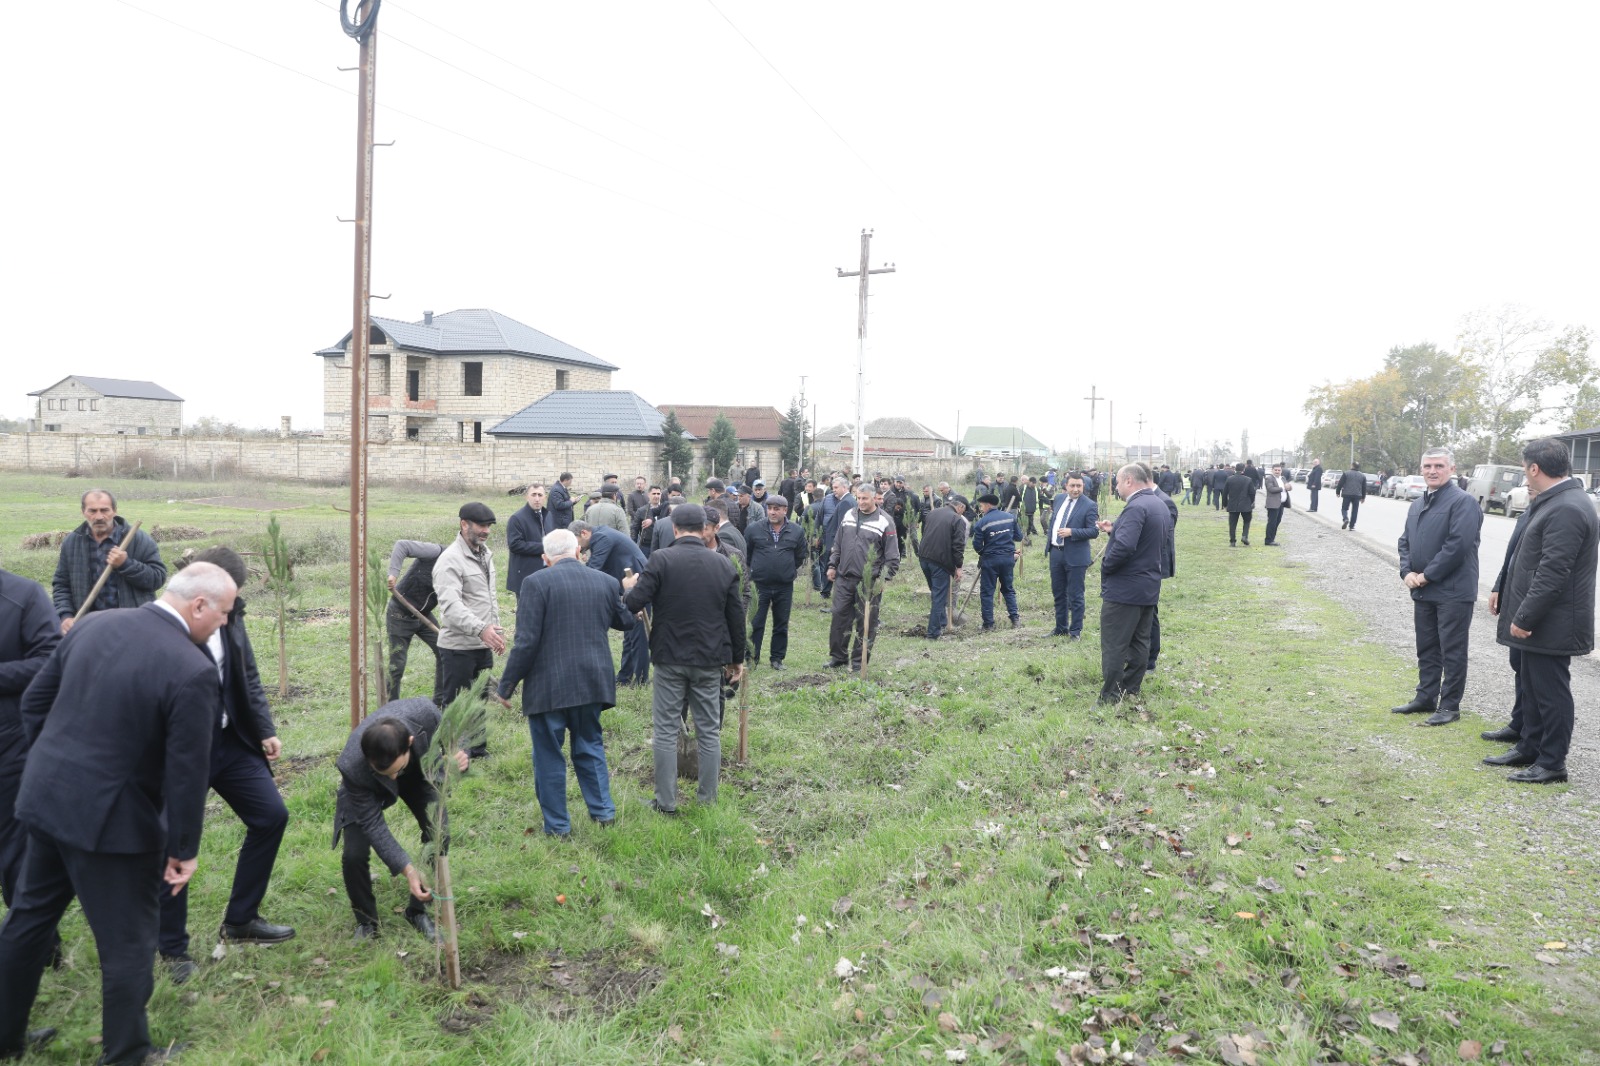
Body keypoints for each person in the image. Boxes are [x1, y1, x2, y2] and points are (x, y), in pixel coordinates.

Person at [0, 563, 234, 1065]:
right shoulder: (191, 670)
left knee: (28, 921)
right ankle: (127, 1054)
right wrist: (184, 850)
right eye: (223, 613)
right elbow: (188, 773)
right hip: (113, 827)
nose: (225, 625)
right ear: (198, 605)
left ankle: (5, 1037)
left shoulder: (93, 624)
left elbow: (35, 701)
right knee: (128, 944)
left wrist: (55, 764)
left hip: (44, 800)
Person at [158, 548, 294, 983]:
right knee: (175, 841)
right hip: (181, 750)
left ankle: (241, 921)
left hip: (230, 740)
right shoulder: (168, 626)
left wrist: (264, 728)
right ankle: (172, 947)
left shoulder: (230, 615)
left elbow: (247, 673)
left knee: (271, 815)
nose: (229, 608)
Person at [497, 529, 632, 836]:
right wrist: (627, 591)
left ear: (545, 559)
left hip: (549, 686)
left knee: (548, 755)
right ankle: (603, 813)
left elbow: (526, 642)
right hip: (592, 681)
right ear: (578, 553)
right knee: (590, 746)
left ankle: (558, 827)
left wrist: (506, 686)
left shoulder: (535, 583)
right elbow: (624, 622)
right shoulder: (605, 582)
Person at [1484, 439, 1598, 784]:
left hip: (1552, 621)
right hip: (1543, 618)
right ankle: (1530, 746)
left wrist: (1525, 617)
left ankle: (1552, 763)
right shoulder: (1555, 501)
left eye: (1524, 468)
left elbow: (1554, 571)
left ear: (1534, 468)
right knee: (1532, 688)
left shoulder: (1567, 507)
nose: (1525, 475)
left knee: (1550, 692)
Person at [622, 505, 746, 813]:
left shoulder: (661, 559)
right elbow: (736, 617)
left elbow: (635, 602)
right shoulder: (723, 565)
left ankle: (666, 802)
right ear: (704, 527)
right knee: (708, 729)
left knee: (665, 729)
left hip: (669, 657)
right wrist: (736, 660)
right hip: (709, 658)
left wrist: (628, 588)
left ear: (674, 529)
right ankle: (707, 800)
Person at [333, 698, 469, 941]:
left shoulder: (424, 712)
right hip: (366, 787)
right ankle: (367, 922)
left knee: (439, 833)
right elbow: (374, 825)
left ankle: (417, 911)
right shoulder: (353, 765)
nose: (393, 778)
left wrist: (458, 754)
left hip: (418, 773)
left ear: (410, 742)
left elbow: (454, 734)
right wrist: (407, 869)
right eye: (386, 773)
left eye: (396, 770)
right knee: (354, 853)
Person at [1389, 448, 1483, 727]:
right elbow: (1405, 541)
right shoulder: (1418, 504)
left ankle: (1450, 705)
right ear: (1421, 469)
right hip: (1423, 589)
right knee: (1427, 647)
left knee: (1452, 649)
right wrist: (1406, 572)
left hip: (1453, 591)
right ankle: (1425, 697)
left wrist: (1427, 575)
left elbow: (1457, 547)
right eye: (1428, 466)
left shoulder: (1463, 502)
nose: (1433, 470)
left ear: (1451, 468)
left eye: (1439, 466)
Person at [0, 564, 59, 909]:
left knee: (14, 845)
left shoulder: (24, 595)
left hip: (9, 742)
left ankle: (35, 940)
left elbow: (50, 659)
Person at [434, 502, 505, 758]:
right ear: (464, 524)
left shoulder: (485, 555)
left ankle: (476, 749)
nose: (486, 531)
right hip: (458, 647)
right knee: (456, 703)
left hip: (482, 643)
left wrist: (495, 630)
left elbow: (489, 597)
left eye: (488, 526)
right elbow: (451, 607)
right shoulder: (450, 560)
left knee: (479, 700)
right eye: (481, 525)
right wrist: (481, 629)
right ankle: (453, 752)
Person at [1095, 465, 1170, 704]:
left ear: (1128, 481)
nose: (1116, 488)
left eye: (1116, 483)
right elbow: (1145, 540)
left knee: (1115, 644)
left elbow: (1126, 547)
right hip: (1148, 585)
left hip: (1125, 589)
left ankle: (1110, 695)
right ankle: (1131, 687)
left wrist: (1106, 565)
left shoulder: (1135, 507)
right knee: (1140, 641)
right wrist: (1114, 531)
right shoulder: (1158, 504)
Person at [51, 489, 166, 634]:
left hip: (132, 627)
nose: (99, 516)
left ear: (114, 511)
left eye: (104, 510)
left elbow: (157, 579)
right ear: (83, 512)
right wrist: (65, 615)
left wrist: (126, 564)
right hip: (88, 628)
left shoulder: (138, 539)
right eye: (92, 511)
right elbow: (62, 584)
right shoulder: (72, 542)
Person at [1480, 484, 1538, 746]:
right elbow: (1513, 556)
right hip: (1515, 597)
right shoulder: (1527, 513)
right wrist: (1498, 586)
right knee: (1519, 665)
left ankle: (1532, 734)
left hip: (1535, 605)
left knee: (1533, 672)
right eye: (1528, 486)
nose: (1530, 489)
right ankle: (1519, 723)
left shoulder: (1555, 512)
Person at [826, 483, 900, 670]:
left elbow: (892, 557)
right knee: (839, 617)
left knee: (865, 622)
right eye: (858, 498)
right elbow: (838, 542)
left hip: (869, 582)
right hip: (844, 577)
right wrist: (833, 564)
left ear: (875, 498)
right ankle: (838, 657)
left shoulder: (885, 521)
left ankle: (859, 662)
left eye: (864, 498)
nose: (860, 502)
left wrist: (883, 579)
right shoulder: (849, 514)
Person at [570, 521, 651, 686]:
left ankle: (641, 679)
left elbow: (595, 569)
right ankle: (625, 676)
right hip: (630, 585)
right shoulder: (601, 535)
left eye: (577, 542)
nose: (578, 547)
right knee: (630, 634)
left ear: (584, 533)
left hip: (638, 583)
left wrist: (574, 575)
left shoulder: (602, 538)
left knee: (638, 635)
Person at [745, 495, 808, 670]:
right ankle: (752, 658)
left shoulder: (796, 531)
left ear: (784, 510)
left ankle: (777, 659)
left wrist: (786, 570)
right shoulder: (754, 529)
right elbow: (747, 554)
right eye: (769, 508)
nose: (772, 512)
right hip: (760, 585)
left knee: (781, 623)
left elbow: (800, 556)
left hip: (784, 586)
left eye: (776, 509)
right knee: (756, 622)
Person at [386, 538, 443, 700]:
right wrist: (393, 574)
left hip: (424, 614)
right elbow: (402, 545)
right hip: (400, 612)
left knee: (445, 650)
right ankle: (390, 709)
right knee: (397, 665)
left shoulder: (460, 568)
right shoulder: (435, 552)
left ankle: (439, 702)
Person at [1045, 473, 1099, 639]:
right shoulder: (1059, 499)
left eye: (1079, 486)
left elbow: (1094, 531)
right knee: (1059, 593)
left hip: (1076, 556)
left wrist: (1072, 532)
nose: (1076, 489)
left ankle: (1075, 631)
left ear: (1083, 486)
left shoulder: (1089, 505)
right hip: (1056, 553)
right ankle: (1060, 627)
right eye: (1072, 486)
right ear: (1066, 486)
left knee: (1075, 595)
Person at [917, 493, 967, 641]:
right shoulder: (957, 519)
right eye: (964, 510)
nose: (963, 513)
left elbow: (925, 533)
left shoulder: (933, 513)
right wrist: (958, 566)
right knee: (939, 597)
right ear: (960, 507)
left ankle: (943, 622)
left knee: (937, 592)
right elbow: (958, 546)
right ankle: (933, 633)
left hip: (924, 557)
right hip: (940, 562)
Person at [970, 494, 1022, 630]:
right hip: (1008, 559)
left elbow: (976, 545)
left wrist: (984, 553)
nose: (981, 509)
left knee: (987, 592)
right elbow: (1019, 536)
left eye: (981, 506)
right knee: (1008, 589)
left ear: (988, 505)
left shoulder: (982, 523)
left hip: (990, 561)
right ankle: (1015, 620)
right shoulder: (1010, 518)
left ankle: (988, 624)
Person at [809, 477, 853, 600]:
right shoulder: (827, 499)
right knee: (827, 563)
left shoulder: (846, 502)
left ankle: (837, 594)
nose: (833, 490)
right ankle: (825, 590)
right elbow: (819, 517)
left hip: (837, 540)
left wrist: (838, 543)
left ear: (844, 487)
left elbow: (842, 526)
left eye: (836, 488)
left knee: (834, 565)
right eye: (832, 487)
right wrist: (817, 535)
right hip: (826, 537)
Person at [505, 483, 550, 604]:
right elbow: (515, 545)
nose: (537, 498)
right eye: (533, 495)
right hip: (525, 575)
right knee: (526, 614)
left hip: (548, 573)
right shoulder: (517, 518)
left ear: (545, 497)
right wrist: (544, 548)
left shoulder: (549, 516)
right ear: (527, 497)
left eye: (540, 495)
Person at [1224, 462, 1256, 546]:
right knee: (1247, 521)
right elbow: (1252, 493)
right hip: (1246, 504)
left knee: (1232, 524)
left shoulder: (1229, 479)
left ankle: (1232, 541)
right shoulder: (1248, 480)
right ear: (1243, 470)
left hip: (1233, 504)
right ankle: (1244, 536)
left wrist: (1225, 504)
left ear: (1235, 469)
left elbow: (1225, 493)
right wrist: (1252, 501)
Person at [1262, 463, 1289, 546]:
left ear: (1281, 471)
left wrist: (1289, 487)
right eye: (1276, 470)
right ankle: (1268, 540)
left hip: (1281, 504)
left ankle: (1272, 539)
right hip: (1273, 504)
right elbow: (1271, 489)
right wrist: (1282, 488)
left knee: (1277, 521)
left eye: (1279, 470)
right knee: (1272, 522)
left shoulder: (1283, 478)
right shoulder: (1269, 478)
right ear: (1272, 470)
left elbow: (1287, 487)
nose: (1277, 471)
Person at [1336, 463, 1366, 529]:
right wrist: (1363, 497)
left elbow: (1340, 483)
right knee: (1355, 510)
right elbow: (1364, 487)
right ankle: (1352, 526)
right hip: (1357, 495)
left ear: (1352, 466)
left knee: (1344, 508)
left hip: (1347, 494)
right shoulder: (1362, 476)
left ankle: (1345, 518)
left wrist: (1338, 492)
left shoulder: (1346, 473)